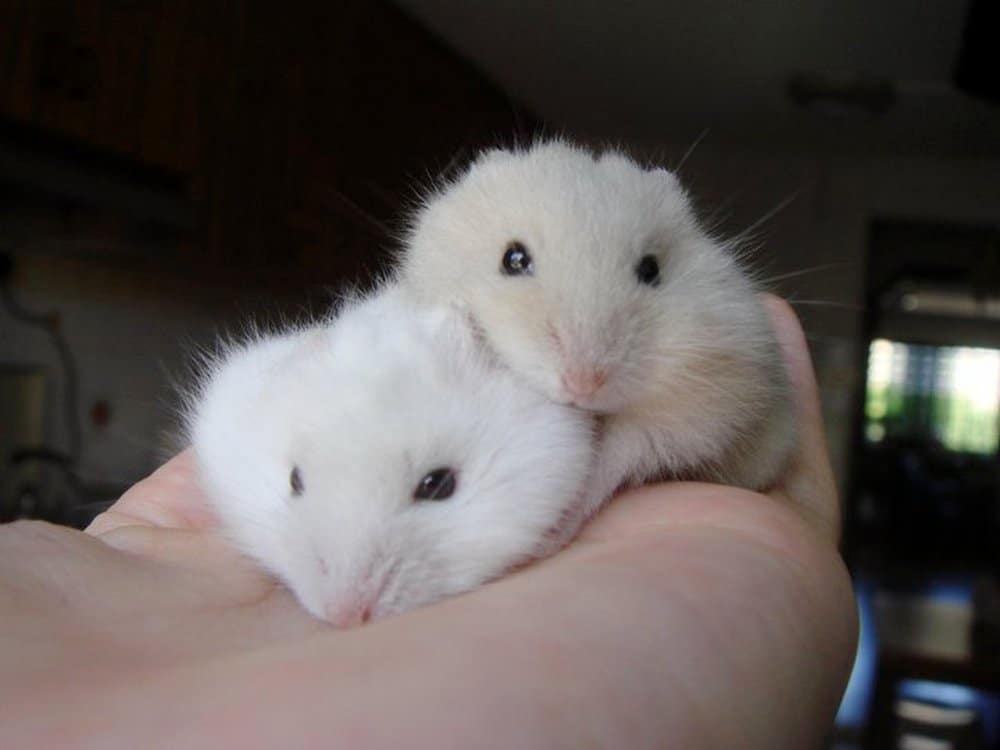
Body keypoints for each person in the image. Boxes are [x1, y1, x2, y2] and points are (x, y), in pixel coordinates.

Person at [0, 296, 857, 748]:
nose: (346, 599)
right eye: (298, 483)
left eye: (436, 485)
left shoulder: (527, 392)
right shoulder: (262, 405)